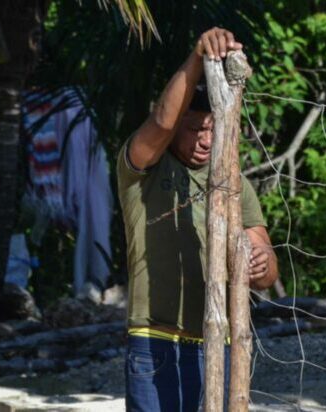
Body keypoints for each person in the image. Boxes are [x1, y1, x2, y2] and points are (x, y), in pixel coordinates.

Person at [117, 27, 279, 411]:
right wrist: (197, 58)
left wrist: (260, 264)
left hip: (220, 342)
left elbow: (269, 269)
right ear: (176, 131)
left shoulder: (232, 180)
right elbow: (160, 121)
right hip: (154, 339)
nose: (206, 139)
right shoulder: (143, 168)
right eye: (193, 129)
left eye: (211, 129)